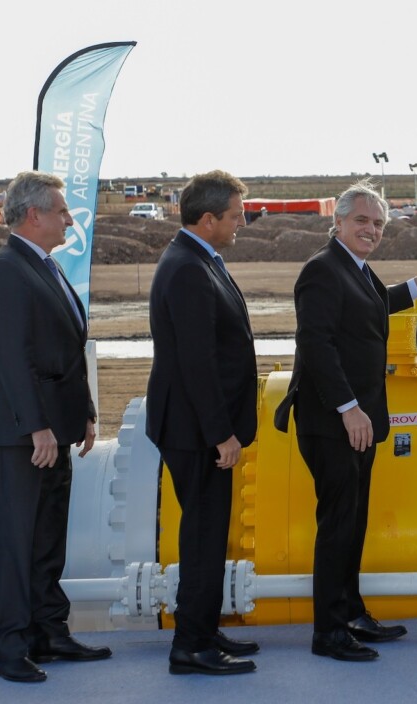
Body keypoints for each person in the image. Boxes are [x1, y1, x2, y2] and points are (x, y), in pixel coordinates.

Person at [273, 179, 417, 662]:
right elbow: (317, 345)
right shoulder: (321, 271)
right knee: (337, 524)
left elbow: (377, 303)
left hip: (360, 420)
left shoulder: (355, 269)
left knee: (353, 523)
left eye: (377, 223)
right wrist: (348, 408)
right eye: (362, 221)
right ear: (337, 222)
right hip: (334, 422)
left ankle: (351, 612)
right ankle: (328, 632)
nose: (371, 230)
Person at [0, 171, 110, 683]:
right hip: (20, 433)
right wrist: (37, 427)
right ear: (33, 215)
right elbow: (11, 357)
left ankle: (48, 633)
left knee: (47, 537)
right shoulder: (7, 270)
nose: (69, 219)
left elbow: (64, 353)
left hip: (53, 427)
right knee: (16, 541)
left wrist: (85, 413)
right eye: (61, 210)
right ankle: (11, 649)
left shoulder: (43, 266)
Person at [146, 170, 259, 676]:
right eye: (235, 216)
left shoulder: (196, 258)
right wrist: (221, 433)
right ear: (208, 218)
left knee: (210, 534)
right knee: (203, 536)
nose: (241, 223)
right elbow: (198, 362)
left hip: (196, 427)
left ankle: (203, 628)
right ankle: (190, 645)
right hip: (197, 432)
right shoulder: (189, 268)